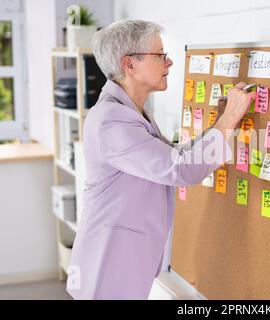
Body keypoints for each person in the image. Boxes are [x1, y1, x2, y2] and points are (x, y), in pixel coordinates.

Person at [66, 20, 255, 299]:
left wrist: (220, 125)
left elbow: (174, 157)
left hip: (123, 256)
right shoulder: (111, 120)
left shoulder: (131, 112)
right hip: (109, 260)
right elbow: (180, 170)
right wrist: (227, 120)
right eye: (160, 55)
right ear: (129, 64)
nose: (170, 63)